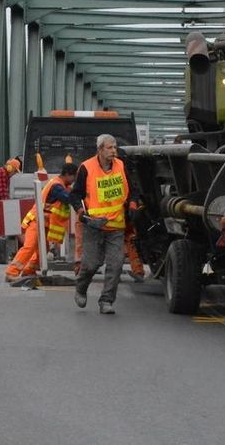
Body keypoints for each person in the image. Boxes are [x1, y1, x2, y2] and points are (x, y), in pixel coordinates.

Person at [69, 134, 129, 314]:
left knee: (116, 264)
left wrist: (133, 203)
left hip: (116, 226)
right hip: (94, 226)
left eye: (115, 148)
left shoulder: (120, 165)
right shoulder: (86, 168)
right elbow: (75, 195)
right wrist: (80, 211)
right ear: (100, 149)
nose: (114, 151)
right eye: (110, 148)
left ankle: (106, 301)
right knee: (91, 264)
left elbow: (131, 189)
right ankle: (81, 288)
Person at [5, 163, 77, 281]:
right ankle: (11, 273)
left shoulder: (61, 185)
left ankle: (29, 271)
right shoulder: (57, 186)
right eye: (74, 177)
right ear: (68, 174)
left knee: (43, 250)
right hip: (37, 221)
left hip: (43, 222)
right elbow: (68, 198)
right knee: (29, 247)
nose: (74, 180)